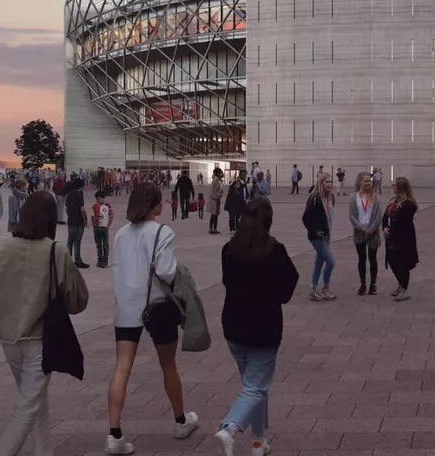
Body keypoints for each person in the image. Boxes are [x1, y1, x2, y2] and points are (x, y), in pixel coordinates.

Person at [0, 191, 89, 456]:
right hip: (38, 337)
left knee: (35, 401)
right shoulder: (55, 250)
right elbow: (78, 300)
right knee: (27, 407)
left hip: (7, 336)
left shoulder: (3, 248)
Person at [105, 182, 201, 454]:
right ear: (152, 205)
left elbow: (117, 267)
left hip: (127, 305)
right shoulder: (162, 232)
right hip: (158, 306)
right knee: (168, 364)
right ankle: (180, 421)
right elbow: (167, 272)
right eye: (160, 200)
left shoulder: (121, 233)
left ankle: (114, 434)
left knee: (122, 367)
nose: (163, 204)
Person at [214, 197, 300, 456]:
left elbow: (227, 281)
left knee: (252, 387)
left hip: (234, 325)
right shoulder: (274, 250)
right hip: (264, 328)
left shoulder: (229, 249)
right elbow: (289, 284)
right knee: (256, 387)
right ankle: (229, 427)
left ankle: (258, 441)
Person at [383, 177, 419, 301]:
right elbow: (386, 215)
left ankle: (404, 288)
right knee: (392, 261)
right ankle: (400, 283)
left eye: (394, 185)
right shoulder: (394, 201)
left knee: (402, 262)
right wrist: (385, 227)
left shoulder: (408, 204)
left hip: (403, 237)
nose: (392, 187)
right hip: (391, 236)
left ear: (400, 187)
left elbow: (403, 222)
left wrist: (391, 231)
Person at [302, 172, 337, 301]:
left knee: (319, 261)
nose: (329, 184)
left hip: (326, 234)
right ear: (321, 183)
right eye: (327, 182)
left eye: (331, 182)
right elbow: (306, 218)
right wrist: (316, 230)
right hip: (317, 236)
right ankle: (325, 288)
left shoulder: (330, 197)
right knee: (330, 262)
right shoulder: (315, 198)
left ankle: (313, 288)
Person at [348, 172, 382, 296]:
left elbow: (378, 215)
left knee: (372, 258)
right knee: (361, 258)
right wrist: (361, 228)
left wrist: (371, 229)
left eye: (369, 181)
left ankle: (373, 284)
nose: (368, 183)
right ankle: (363, 284)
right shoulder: (353, 197)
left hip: (373, 232)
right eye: (366, 181)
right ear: (360, 182)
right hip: (359, 232)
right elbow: (351, 216)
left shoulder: (375, 197)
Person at [65, 176, 90, 269]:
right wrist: (85, 220)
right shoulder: (80, 195)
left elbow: (66, 209)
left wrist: (70, 216)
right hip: (79, 221)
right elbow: (82, 209)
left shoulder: (68, 195)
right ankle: (78, 261)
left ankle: (68, 260)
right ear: (80, 186)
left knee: (70, 241)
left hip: (70, 221)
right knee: (77, 241)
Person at [92, 188, 115, 268]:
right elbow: (93, 216)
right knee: (98, 244)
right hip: (97, 227)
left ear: (103, 198)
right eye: (96, 199)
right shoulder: (95, 206)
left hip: (104, 228)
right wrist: (94, 225)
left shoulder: (107, 206)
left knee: (105, 245)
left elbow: (111, 216)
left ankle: (105, 260)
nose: (97, 201)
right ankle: (100, 259)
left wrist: (108, 225)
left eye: (99, 199)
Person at [207, 169, 226, 235]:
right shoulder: (215, 181)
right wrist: (215, 197)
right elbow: (211, 191)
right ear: (217, 174)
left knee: (216, 214)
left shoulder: (220, 181)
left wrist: (220, 195)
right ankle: (211, 228)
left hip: (218, 199)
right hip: (213, 200)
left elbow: (221, 191)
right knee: (213, 214)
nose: (222, 174)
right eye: (221, 173)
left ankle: (215, 228)